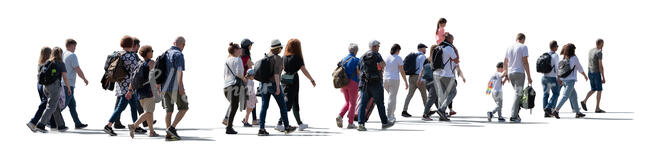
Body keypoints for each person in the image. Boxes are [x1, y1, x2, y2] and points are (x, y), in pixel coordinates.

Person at [104, 35, 146, 136]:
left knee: (133, 106)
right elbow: (134, 73)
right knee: (121, 107)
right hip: (129, 86)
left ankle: (136, 126)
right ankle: (108, 125)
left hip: (122, 84)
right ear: (131, 44)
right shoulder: (131, 56)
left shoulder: (120, 54)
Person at [257, 39, 297, 136]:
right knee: (282, 106)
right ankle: (287, 127)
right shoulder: (278, 58)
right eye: (280, 48)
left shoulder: (266, 56)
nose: (281, 49)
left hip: (263, 84)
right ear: (278, 48)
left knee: (264, 107)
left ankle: (261, 129)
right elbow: (276, 74)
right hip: (273, 84)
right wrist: (278, 88)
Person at [277, 39, 316, 131]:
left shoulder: (284, 57)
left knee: (294, 101)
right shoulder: (297, 57)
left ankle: (300, 124)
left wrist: (277, 81)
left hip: (284, 79)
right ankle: (279, 123)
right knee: (288, 102)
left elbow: (279, 70)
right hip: (294, 80)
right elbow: (304, 70)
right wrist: (311, 79)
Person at [357, 40, 394, 131]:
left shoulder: (362, 56)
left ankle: (361, 124)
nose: (378, 48)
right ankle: (384, 123)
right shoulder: (377, 55)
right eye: (378, 46)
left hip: (364, 84)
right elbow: (383, 65)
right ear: (374, 47)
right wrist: (379, 68)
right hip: (376, 83)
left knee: (363, 104)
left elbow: (358, 70)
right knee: (380, 103)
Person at [33, 47, 72, 133]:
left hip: (45, 87)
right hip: (54, 87)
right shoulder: (60, 63)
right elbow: (65, 78)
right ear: (60, 54)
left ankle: (61, 126)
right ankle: (41, 125)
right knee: (51, 106)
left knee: (56, 106)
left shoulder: (47, 62)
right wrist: (68, 88)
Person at [159, 36, 190, 141]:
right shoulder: (178, 55)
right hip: (175, 87)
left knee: (169, 111)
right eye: (184, 45)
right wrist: (181, 87)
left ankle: (168, 135)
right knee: (184, 107)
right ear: (182, 45)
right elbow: (179, 72)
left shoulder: (165, 53)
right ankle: (172, 128)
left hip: (164, 87)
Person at [222, 38, 259, 126]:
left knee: (235, 101)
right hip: (244, 80)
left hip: (230, 82)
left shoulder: (231, 57)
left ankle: (226, 118)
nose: (251, 46)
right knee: (251, 99)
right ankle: (252, 119)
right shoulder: (246, 57)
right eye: (250, 44)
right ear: (248, 46)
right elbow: (249, 69)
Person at [128, 45, 160, 138]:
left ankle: (151, 132)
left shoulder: (139, 63)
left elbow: (132, 78)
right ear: (148, 53)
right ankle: (134, 126)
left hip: (139, 91)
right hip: (148, 91)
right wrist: (158, 88)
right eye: (151, 51)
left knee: (149, 112)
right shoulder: (151, 63)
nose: (153, 52)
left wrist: (130, 90)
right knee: (148, 112)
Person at [552, 43, 588, 119]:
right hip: (570, 81)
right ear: (573, 50)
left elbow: (559, 69)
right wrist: (584, 75)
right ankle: (556, 110)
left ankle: (578, 112)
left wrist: (559, 78)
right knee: (565, 96)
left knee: (574, 96)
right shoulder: (574, 58)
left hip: (563, 80)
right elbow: (579, 67)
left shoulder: (564, 58)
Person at [502, 33, 532, 123]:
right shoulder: (523, 47)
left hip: (511, 73)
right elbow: (525, 62)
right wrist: (529, 76)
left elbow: (505, 62)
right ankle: (513, 116)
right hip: (519, 73)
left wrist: (506, 74)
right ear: (523, 39)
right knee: (518, 94)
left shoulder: (509, 47)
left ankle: (516, 114)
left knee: (517, 94)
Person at [27, 47, 59, 132]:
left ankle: (53, 125)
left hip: (39, 84)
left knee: (47, 104)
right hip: (45, 84)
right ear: (49, 53)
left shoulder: (40, 63)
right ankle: (33, 122)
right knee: (46, 104)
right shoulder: (48, 63)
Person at [61, 39, 89, 129]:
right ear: (70, 45)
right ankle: (49, 120)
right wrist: (84, 79)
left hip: (63, 83)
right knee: (63, 105)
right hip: (68, 85)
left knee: (72, 105)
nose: (75, 48)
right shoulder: (72, 55)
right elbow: (77, 69)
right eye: (74, 46)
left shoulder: (62, 54)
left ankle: (77, 123)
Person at [432, 34, 460, 121]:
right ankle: (442, 109)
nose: (453, 41)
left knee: (441, 94)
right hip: (447, 74)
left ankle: (442, 115)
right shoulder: (449, 48)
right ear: (449, 39)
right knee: (453, 92)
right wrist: (456, 51)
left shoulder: (438, 47)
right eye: (453, 39)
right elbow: (456, 60)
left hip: (437, 74)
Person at [336, 43, 361, 129]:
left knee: (347, 102)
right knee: (353, 103)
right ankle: (350, 123)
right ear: (356, 51)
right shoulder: (356, 60)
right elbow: (358, 72)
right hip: (353, 83)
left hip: (343, 83)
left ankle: (340, 116)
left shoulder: (343, 59)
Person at [224, 42, 246, 134]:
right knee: (234, 106)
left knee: (233, 106)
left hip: (226, 86)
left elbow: (224, 75)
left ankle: (229, 126)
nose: (241, 50)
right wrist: (244, 79)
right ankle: (229, 127)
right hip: (235, 86)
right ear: (236, 50)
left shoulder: (227, 60)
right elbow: (239, 73)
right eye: (239, 48)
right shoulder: (238, 59)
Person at [383, 44, 408, 122]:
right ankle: (389, 115)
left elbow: (382, 68)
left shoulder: (386, 57)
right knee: (392, 97)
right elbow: (402, 71)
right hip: (394, 79)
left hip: (385, 79)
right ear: (398, 50)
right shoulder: (398, 58)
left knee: (392, 97)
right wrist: (406, 81)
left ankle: (392, 114)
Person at [581, 39, 606, 113]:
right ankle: (597, 108)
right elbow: (600, 65)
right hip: (596, 73)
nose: (603, 45)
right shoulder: (599, 52)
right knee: (599, 90)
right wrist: (603, 77)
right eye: (603, 44)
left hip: (590, 72)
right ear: (600, 44)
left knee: (593, 88)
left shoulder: (591, 50)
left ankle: (584, 101)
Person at [402, 44, 427, 118]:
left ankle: (404, 110)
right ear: (421, 49)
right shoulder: (422, 56)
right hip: (418, 77)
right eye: (425, 48)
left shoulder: (413, 56)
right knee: (424, 94)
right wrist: (421, 79)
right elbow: (422, 68)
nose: (425, 50)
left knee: (409, 94)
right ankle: (427, 111)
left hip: (411, 76)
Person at [542, 40, 561, 117]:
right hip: (552, 78)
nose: (557, 47)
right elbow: (557, 68)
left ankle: (546, 113)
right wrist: (559, 77)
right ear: (554, 47)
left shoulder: (545, 54)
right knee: (556, 93)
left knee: (546, 94)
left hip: (544, 77)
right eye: (557, 46)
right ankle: (548, 107)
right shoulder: (555, 55)